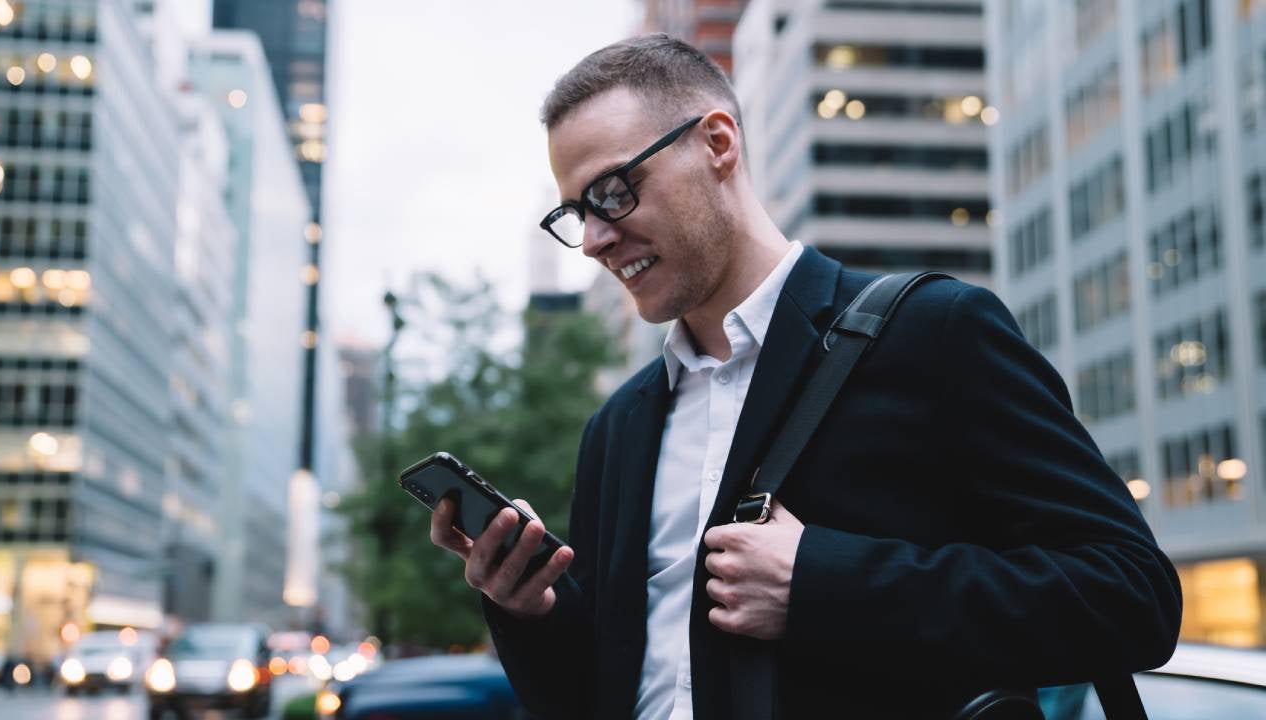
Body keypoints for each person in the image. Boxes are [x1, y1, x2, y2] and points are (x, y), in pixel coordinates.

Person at [429, 33, 1181, 719]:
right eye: (574, 212)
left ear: (717, 144)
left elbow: (1132, 597)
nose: (593, 238)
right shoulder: (619, 427)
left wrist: (824, 582)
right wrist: (529, 608)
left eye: (613, 192)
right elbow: (598, 694)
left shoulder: (935, 334)